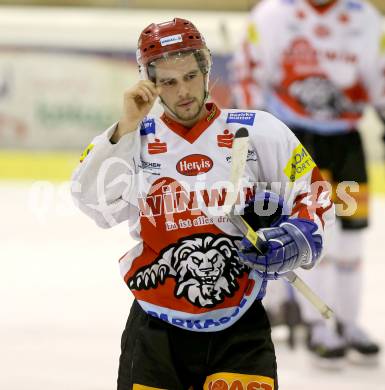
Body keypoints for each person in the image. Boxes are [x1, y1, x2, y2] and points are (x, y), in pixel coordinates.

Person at [71, 18, 334, 389]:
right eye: (169, 81)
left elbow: (314, 192)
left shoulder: (258, 131)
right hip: (154, 326)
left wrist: (298, 235)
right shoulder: (135, 139)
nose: (184, 91)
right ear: (151, 83)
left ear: (207, 69)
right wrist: (125, 127)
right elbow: (93, 202)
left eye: (191, 76)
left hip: (239, 326)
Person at [230, 0, 384, 367]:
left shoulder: (364, 18)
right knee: (312, 232)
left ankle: (346, 322)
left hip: (345, 142)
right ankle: (319, 324)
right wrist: (252, 135)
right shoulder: (272, 14)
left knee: (351, 237)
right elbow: (248, 74)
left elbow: (381, 76)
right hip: (295, 141)